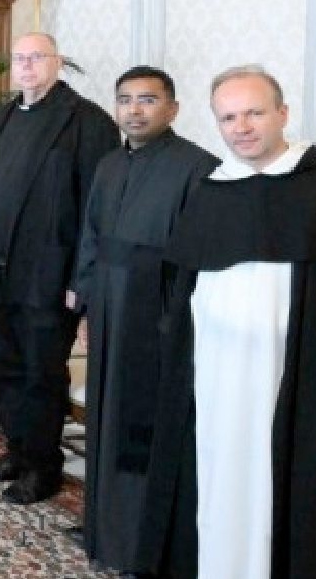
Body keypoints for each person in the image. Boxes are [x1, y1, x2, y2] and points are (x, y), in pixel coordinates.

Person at [140, 66, 316, 579]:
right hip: (216, 380)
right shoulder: (209, 192)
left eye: (253, 113)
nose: (241, 126)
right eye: (228, 117)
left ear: (282, 114)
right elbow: (184, 298)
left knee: (283, 486)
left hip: (295, 384)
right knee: (218, 482)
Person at [67, 66, 217, 573]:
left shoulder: (199, 167)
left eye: (148, 100)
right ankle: (104, 528)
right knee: (107, 416)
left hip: (159, 317)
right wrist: (84, 300)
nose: (135, 109)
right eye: (126, 100)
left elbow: (199, 259)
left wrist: (175, 320)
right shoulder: (109, 165)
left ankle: (140, 544)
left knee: (142, 428)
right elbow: (90, 236)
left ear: (173, 108)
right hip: (109, 309)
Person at [0, 33, 118, 504]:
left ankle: (44, 467)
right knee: (7, 369)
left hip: (48, 278)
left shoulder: (86, 122)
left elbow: (98, 209)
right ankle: (18, 450)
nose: (26, 66)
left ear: (57, 63)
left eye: (37, 58)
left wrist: (80, 281)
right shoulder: (5, 114)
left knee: (42, 374)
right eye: (19, 59)